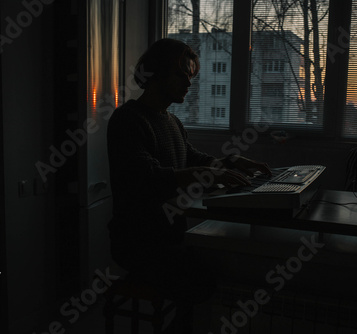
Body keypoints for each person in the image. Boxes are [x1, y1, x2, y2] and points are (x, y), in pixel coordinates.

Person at [106, 38, 271, 331]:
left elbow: (192, 158)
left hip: (167, 236)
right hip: (137, 242)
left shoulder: (172, 122)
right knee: (202, 280)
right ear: (155, 72)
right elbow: (149, 177)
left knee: (209, 271)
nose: (189, 83)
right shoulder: (126, 119)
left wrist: (231, 162)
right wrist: (209, 174)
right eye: (182, 74)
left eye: (191, 77)